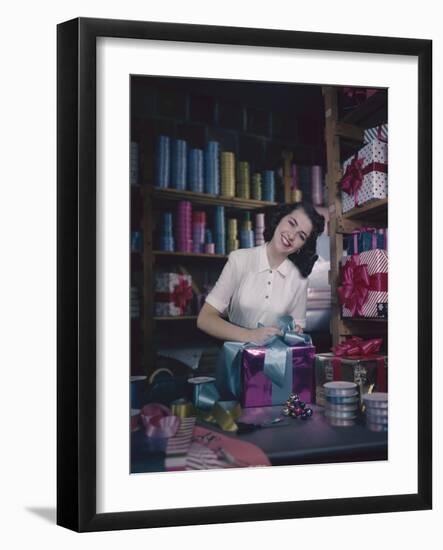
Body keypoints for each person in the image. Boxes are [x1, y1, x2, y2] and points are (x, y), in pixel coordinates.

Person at [197, 202, 325, 345]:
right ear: (280, 219)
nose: (291, 235)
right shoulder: (239, 260)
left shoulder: (299, 281)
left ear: (303, 246)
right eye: (291, 223)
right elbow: (205, 319)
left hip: (274, 362)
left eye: (301, 236)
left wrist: (293, 333)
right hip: (234, 358)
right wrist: (250, 335)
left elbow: (296, 331)